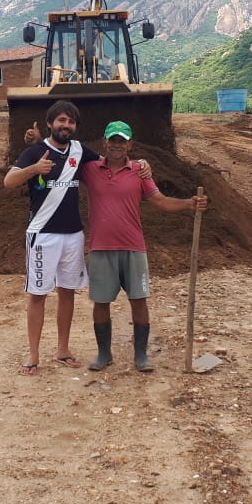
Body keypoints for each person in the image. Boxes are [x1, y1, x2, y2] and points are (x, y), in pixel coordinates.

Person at [82, 120, 208, 372]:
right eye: (113, 140)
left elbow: (160, 201)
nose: (117, 145)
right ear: (104, 142)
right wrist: (35, 142)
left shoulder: (139, 172)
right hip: (100, 247)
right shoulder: (89, 169)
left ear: (130, 144)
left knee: (139, 300)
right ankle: (104, 354)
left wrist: (188, 204)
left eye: (122, 140)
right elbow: (62, 163)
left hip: (133, 247)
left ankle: (141, 355)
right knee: (101, 302)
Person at [3, 100, 104, 377]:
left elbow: (107, 166)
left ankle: (62, 349)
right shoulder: (35, 152)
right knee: (38, 294)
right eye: (61, 120)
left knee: (68, 292)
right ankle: (33, 355)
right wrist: (34, 170)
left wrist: (138, 163)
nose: (66, 126)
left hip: (73, 235)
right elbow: (9, 182)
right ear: (50, 124)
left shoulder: (80, 151)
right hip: (42, 235)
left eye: (70, 122)